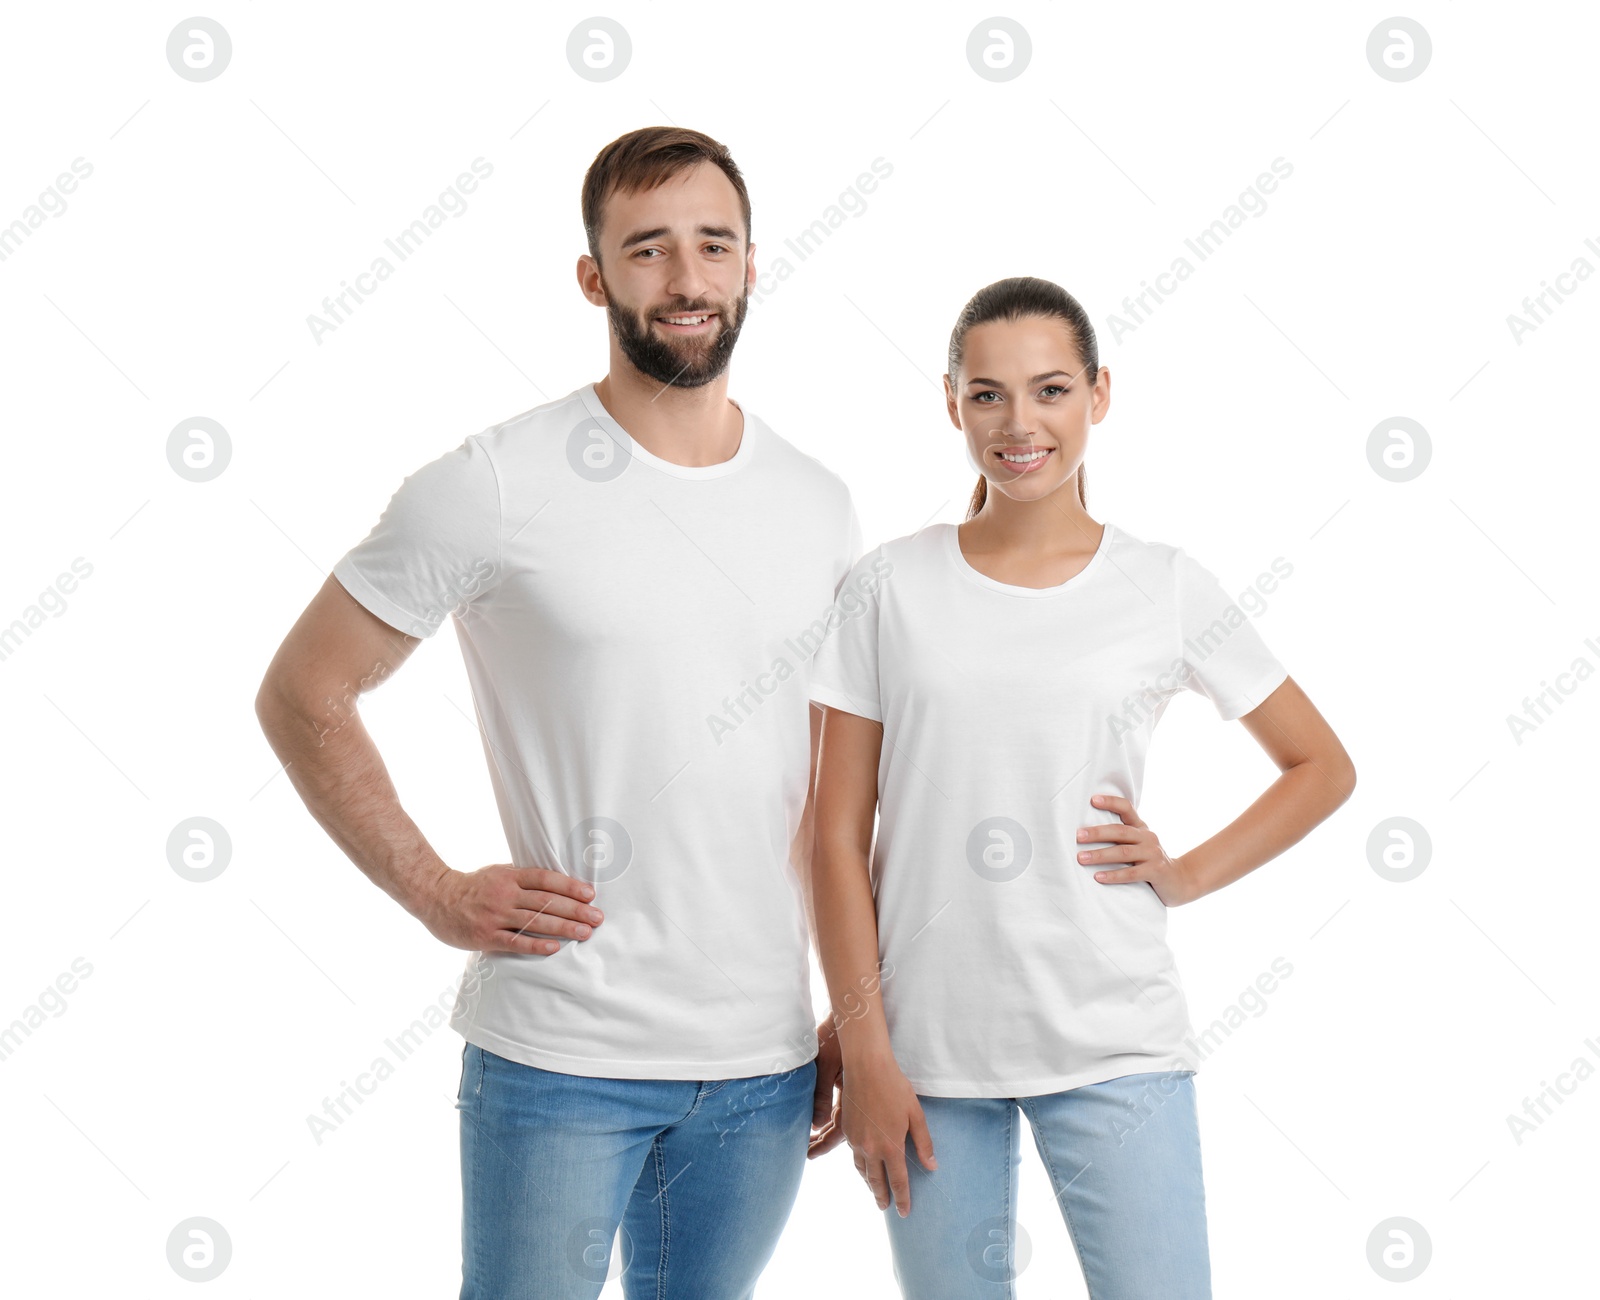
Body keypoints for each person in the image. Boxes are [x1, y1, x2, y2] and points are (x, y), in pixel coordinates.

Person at [254, 126, 861, 1299]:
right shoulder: (493, 485)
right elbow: (302, 691)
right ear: (594, 278)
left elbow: (841, 792)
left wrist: (857, 1007)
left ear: (749, 266)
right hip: (562, 1052)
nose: (685, 280)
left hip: (765, 1059)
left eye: (712, 246)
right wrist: (433, 890)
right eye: (647, 249)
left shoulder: (817, 501)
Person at [805, 276, 1356, 1299]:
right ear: (951, 401)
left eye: (1050, 389)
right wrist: (867, 1049)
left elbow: (1320, 766)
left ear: (1099, 395)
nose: (1020, 423)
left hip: (1114, 1033)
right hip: (926, 1049)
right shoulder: (888, 586)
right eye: (988, 394)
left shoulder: (1164, 583)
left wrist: (1184, 873)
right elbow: (831, 838)